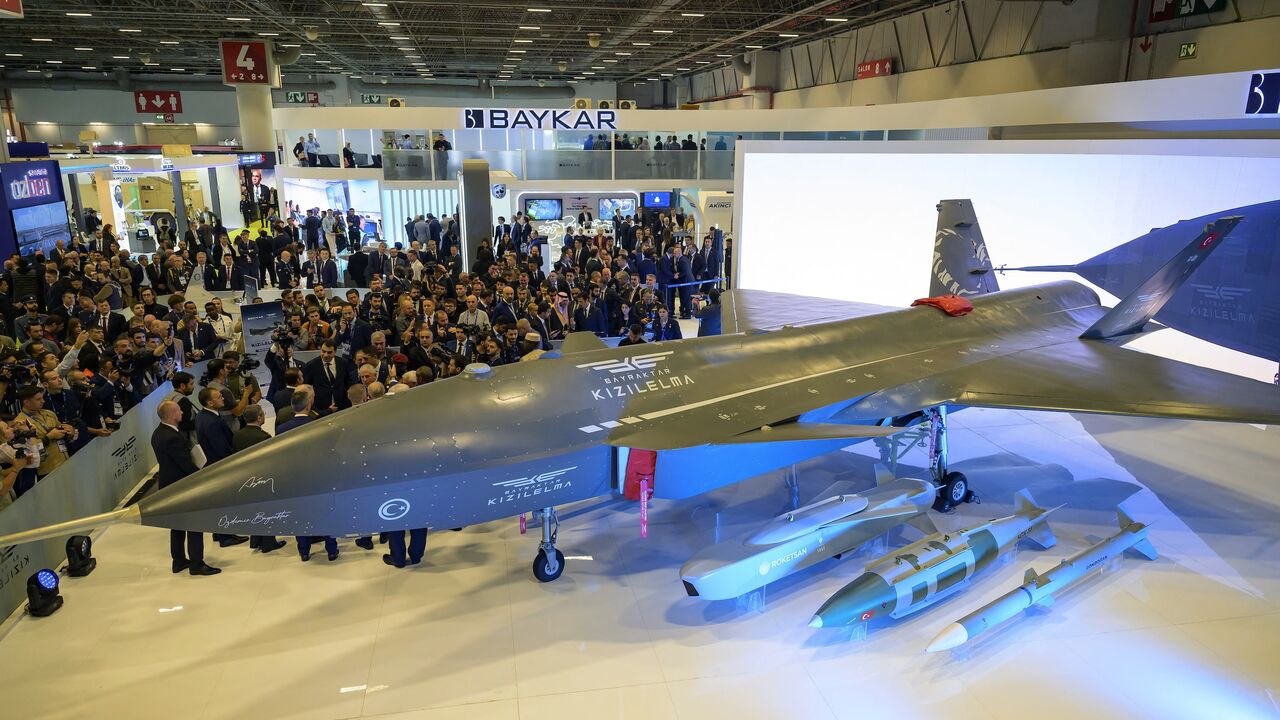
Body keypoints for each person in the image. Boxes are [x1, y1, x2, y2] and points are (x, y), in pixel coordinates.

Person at [152, 401, 221, 575]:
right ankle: (196, 563)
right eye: (179, 410)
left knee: (177, 526)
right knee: (194, 524)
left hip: (168, 484)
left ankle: (179, 560)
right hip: (181, 486)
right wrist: (201, 475)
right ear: (172, 414)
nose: (182, 412)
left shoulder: (158, 433)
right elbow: (185, 465)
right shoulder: (172, 437)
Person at [194, 387, 248, 548]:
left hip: (213, 464)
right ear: (210, 403)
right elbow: (221, 448)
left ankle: (219, 533)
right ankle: (226, 536)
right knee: (225, 501)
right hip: (220, 466)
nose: (223, 399)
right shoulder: (211, 422)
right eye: (219, 397)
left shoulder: (204, 416)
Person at [231, 404, 287, 553]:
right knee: (266, 511)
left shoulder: (237, 436)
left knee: (253, 509)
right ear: (259, 417)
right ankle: (268, 543)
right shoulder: (264, 437)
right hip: (262, 479)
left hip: (245, 479)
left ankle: (255, 540)